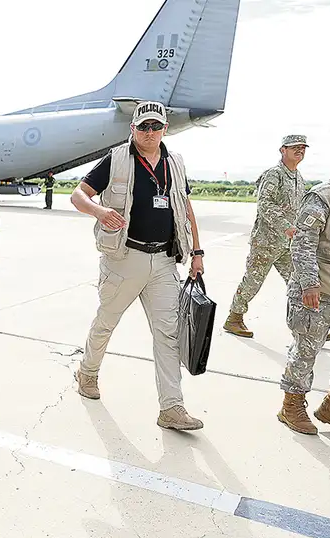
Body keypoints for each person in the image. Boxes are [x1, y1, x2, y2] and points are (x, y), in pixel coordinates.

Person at [69, 100, 205, 430]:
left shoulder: (175, 163)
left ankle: (171, 407)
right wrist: (99, 212)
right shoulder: (116, 159)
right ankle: (88, 372)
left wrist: (198, 253)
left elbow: (185, 207)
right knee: (106, 321)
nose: (149, 132)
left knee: (168, 334)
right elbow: (78, 195)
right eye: (143, 126)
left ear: (164, 129)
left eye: (155, 126)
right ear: (133, 129)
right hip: (124, 258)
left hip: (164, 261)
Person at [277, 135, 330, 442]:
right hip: (317, 292)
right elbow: (302, 243)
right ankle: (292, 406)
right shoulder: (322, 196)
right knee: (306, 351)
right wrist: (309, 283)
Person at [224, 135, 326, 339]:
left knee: (300, 282)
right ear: (283, 150)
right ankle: (234, 318)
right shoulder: (274, 174)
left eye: (302, 148)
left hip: (288, 245)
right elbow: (265, 204)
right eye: (294, 147)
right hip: (266, 242)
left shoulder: (298, 177)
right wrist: (286, 227)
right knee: (253, 281)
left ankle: (310, 324)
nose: (300, 151)